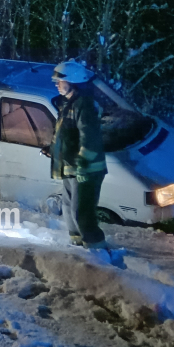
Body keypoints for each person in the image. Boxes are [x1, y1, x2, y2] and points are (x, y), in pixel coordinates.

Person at [49, 60, 110, 251]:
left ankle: (97, 250)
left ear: (73, 82)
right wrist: (53, 149)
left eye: (59, 81)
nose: (56, 85)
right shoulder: (69, 103)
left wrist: (83, 163)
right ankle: (78, 244)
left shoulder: (84, 105)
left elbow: (89, 138)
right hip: (71, 165)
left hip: (86, 169)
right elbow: (67, 134)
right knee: (68, 207)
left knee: (81, 212)